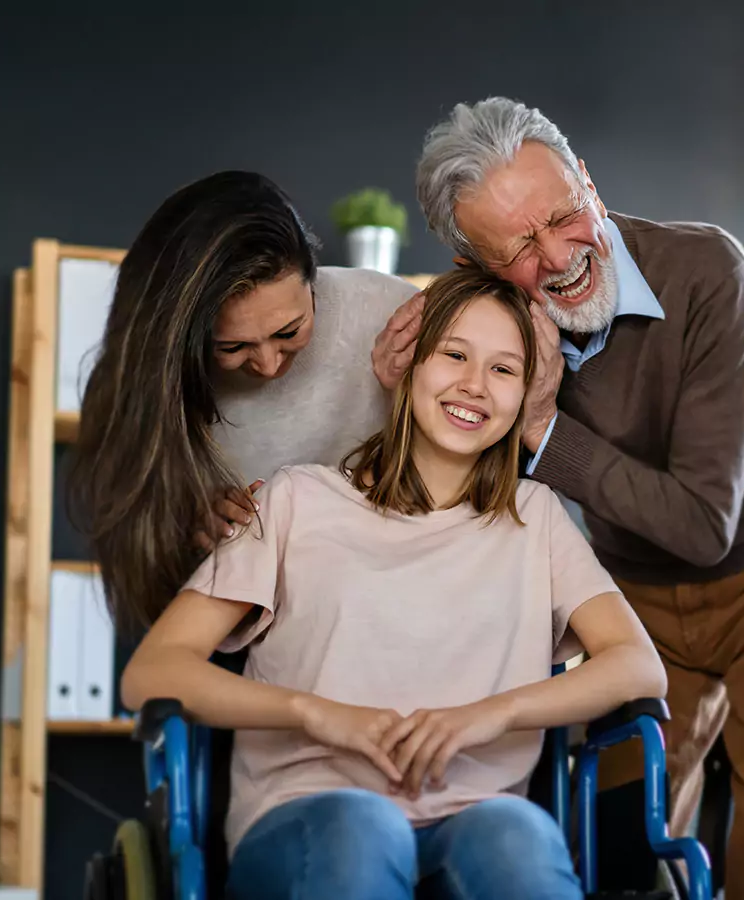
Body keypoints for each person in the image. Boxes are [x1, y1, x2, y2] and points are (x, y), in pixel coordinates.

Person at [373, 98, 744, 900]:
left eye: (565, 215)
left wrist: (539, 425)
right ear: (480, 264)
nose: (560, 255)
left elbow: (704, 525)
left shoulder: (709, 273)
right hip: (636, 585)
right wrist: (408, 390)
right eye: (521, 247)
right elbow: (439, 463)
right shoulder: (488, 319)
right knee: (621, 832)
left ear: (589, 184)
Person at [120, 267, 667, 899]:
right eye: (455, 355)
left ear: (524, 397)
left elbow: (637, 666)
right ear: (407, 364)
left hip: (473, 817)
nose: (474, 386)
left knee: (517, 834)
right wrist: (318, 716)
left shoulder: (536, 517)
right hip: (310, 820)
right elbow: (153, 671)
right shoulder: (296, 499)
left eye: (504, 369)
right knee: (364, 825)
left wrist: (489, 716)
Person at [69, 170, 416, 634]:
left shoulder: (390, 314)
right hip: (250, 639)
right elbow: (153, 575)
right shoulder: (149, 389)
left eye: (290, 332)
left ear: (312, 278)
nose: (269, 365)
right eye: (232, 348)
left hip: (392, 617)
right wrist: (192, 527)